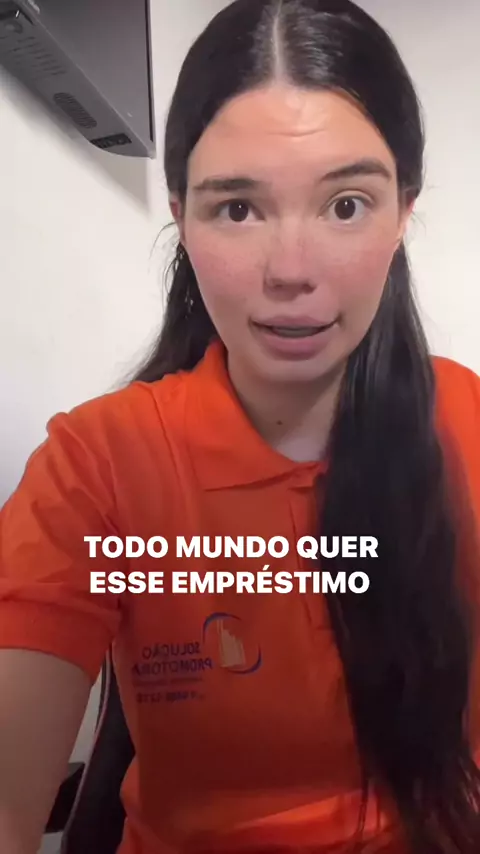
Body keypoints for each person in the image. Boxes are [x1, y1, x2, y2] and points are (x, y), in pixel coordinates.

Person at [1, 0, 480, 852]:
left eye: (346, 205)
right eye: (237, 209)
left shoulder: (467, 424)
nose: (291, 271)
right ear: (180, 216)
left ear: (404, 210)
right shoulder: (99, 464)